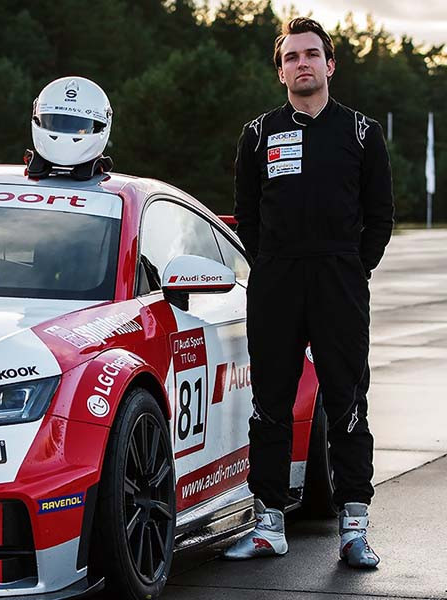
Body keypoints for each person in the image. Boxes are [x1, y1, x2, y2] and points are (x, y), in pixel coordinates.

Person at [222, 17, 393, 568]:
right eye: (291, 57)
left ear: (330, 64)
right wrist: (272, 265)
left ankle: (354, 528)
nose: (302, 64)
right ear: (281, 72)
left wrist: (353, 269)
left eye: (311, 54)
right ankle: (268, 524)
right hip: (276, 282)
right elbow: (247, 215)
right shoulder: (257, 134)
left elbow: (380, 216)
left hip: (340, 280)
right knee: (270, 404)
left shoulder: (362, 132)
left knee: (346, 401)